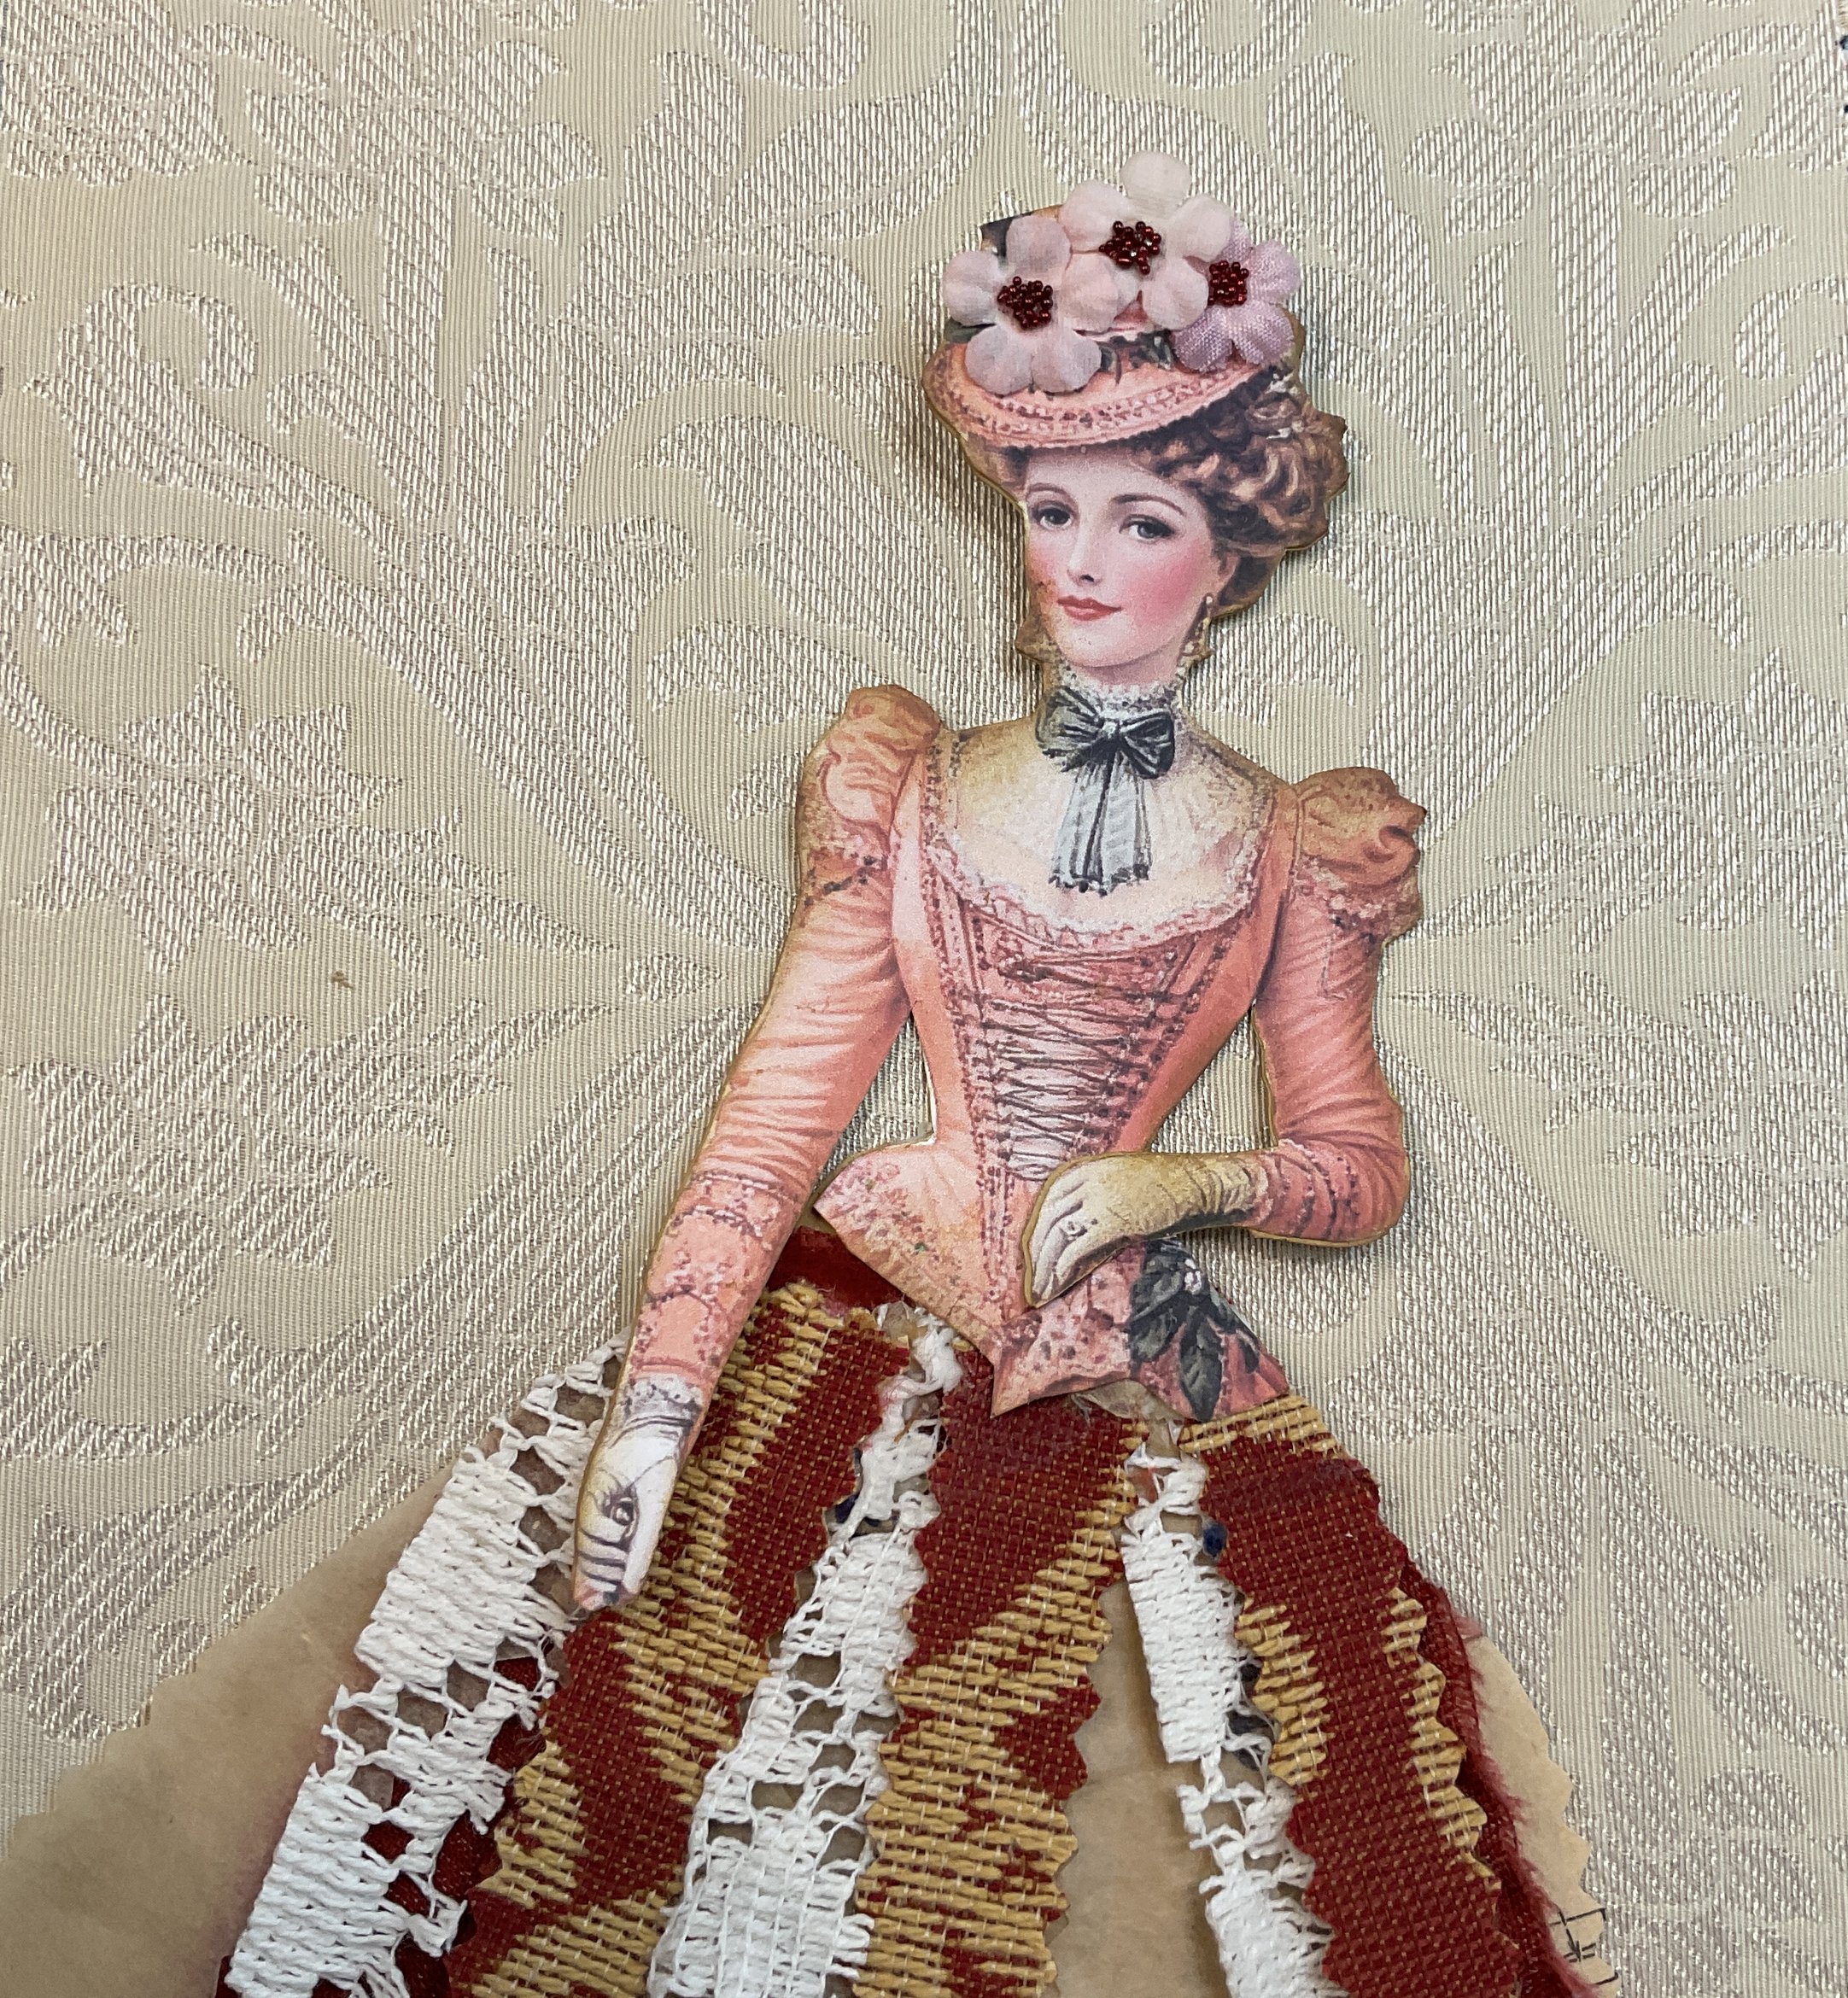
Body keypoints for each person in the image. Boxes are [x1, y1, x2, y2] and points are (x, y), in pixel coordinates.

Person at [220, 157, 1605, 1998]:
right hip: (866, 1306)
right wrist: (661, 1395)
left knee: (1283, 1788)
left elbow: (1354, 1160)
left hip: (1138, 1358)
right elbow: (780, 1110)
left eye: (1138, 520)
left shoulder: (1293, 841)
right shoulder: (913, 788)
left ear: (1226, 554)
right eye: (1050, 509)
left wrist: (1188, 1182)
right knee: (640, 1779)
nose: (1080, 562)